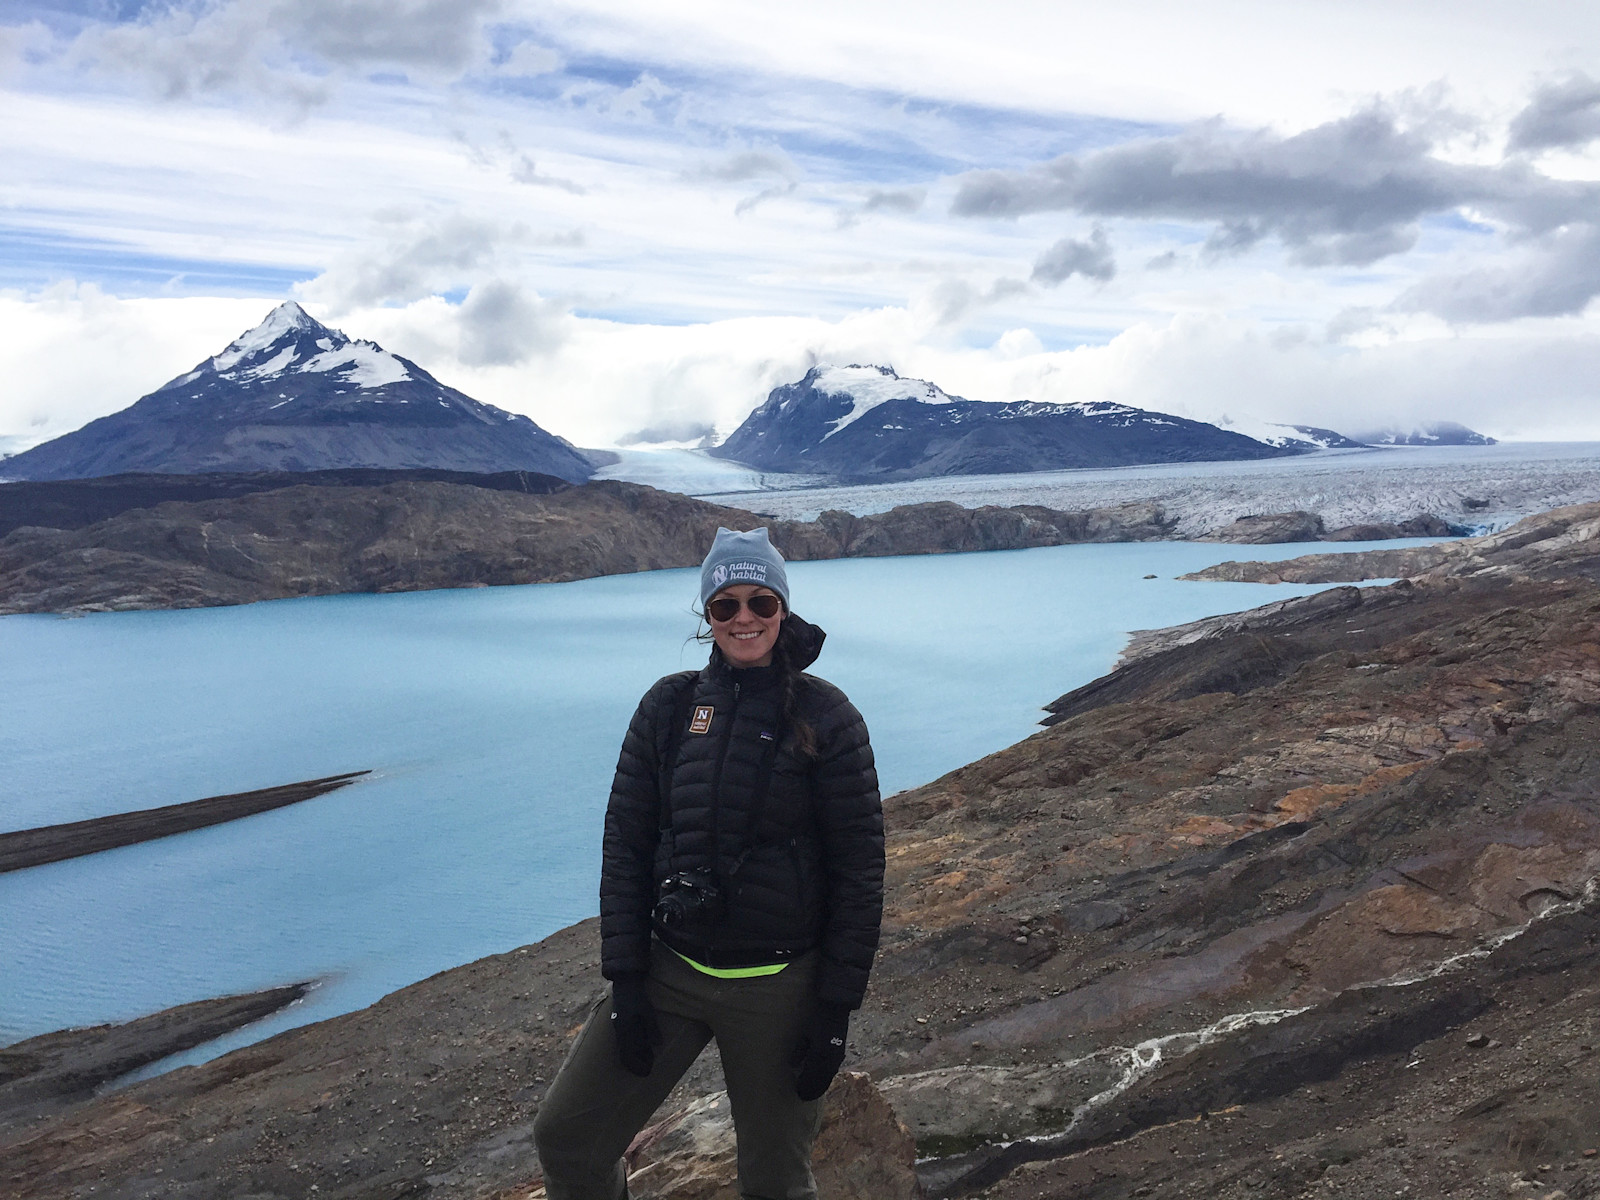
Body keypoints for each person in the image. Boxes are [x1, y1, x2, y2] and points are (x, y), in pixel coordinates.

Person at [532, 527, 885, 1200]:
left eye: (760, 602)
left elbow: (860, 869)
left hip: (781, 985)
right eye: (726, 605)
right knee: (568, 1139)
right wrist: (628, 979)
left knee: (775, 1179)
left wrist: (835, 1011)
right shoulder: (669, 707)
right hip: (672, 971)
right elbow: (626, 846)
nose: (744, 618)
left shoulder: (827, 716)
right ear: (708, 615)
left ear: (783, 609)